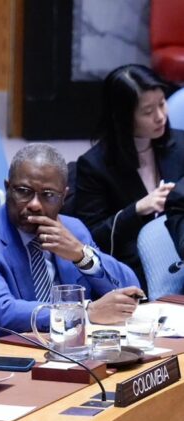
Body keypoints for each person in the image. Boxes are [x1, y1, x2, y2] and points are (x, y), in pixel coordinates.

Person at [0, 143, 142, 353]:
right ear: (8, 188)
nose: (34, 204)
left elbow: (128, 288)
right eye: (24, 191)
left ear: (64, 198)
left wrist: (82, 256)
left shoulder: (73, 230)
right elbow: (1, 313)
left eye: (48, 195)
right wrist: (84, 312)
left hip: (69, 354)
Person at [75, 64, 184, 288]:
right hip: (133, 269)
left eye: (162, 104)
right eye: (147, 111)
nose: (160, 116)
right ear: (123, 117)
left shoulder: (181, 144)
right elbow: (90, 239)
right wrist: (136, 210)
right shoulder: (94, 166)